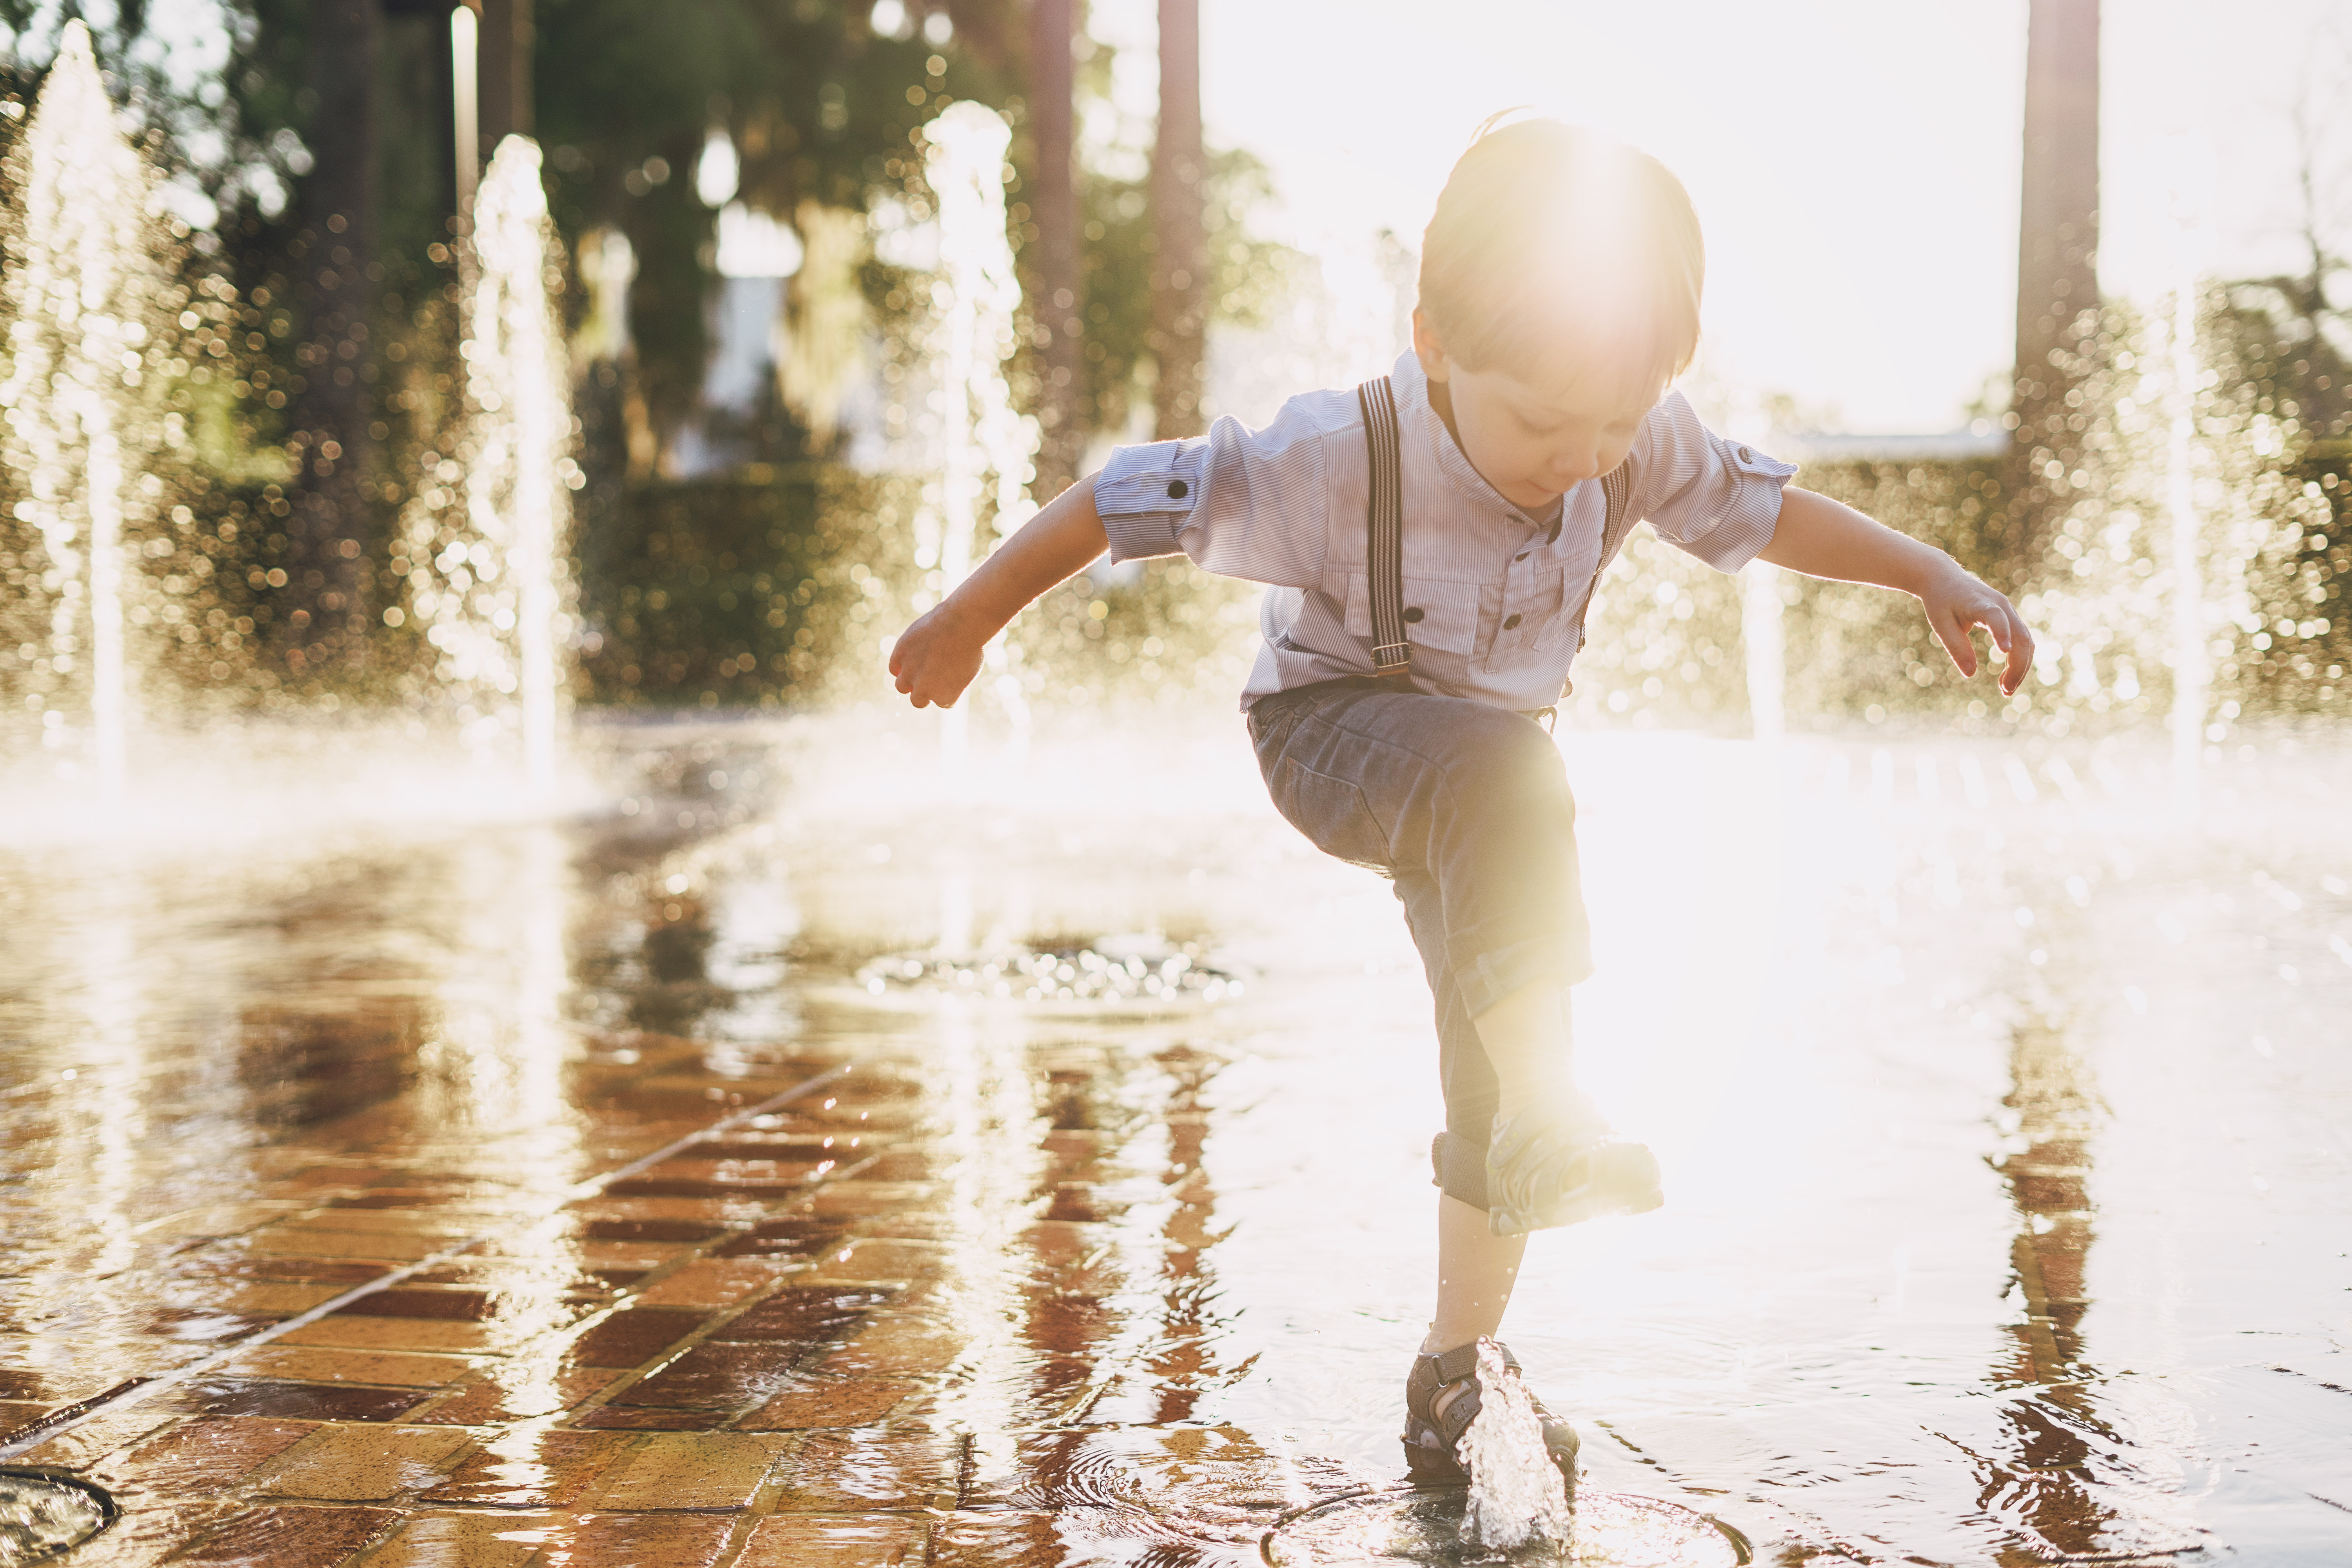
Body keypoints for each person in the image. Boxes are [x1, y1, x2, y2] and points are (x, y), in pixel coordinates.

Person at [887, 116, 2034, 1494]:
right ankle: (1551, 1114)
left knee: (1492, 1000)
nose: (1583, 454)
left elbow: (1766, 510)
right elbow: (1114, 501)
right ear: (1431, 339)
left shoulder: (1630, 442)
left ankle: (1455, 1363)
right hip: (1326, 737)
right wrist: (968, 617)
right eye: (1546, 420)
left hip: (1490, 788)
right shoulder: (1329, 454)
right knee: (1512, 795)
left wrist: (1932, 577)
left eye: (1614, 422)